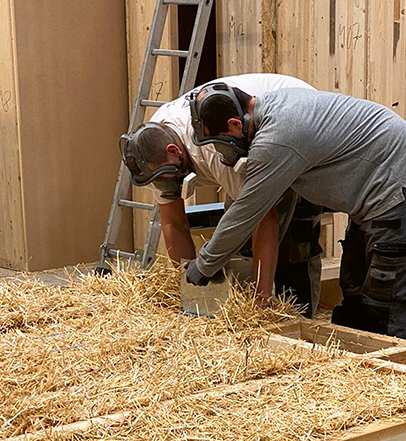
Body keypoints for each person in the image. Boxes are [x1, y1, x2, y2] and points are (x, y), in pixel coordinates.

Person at [184, 82, 406, 340]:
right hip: (375, 192)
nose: (221, 150)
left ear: (235, 125)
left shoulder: (276, 138)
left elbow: (245, 213)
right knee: (355, 292)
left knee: (385, 306)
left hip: (399, 187)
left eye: (219, 142)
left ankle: (390, 369)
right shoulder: (275, 107)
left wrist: (203, 266)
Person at [120, 73, 324, 313]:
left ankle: (297, 318)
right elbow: (173, 223)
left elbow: (261, 216)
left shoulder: (212, 148)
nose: (165, 184)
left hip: (297, 121)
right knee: (240, 241)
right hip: (242, 144)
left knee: (293, 242)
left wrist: (259, 304)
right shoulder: (150, 153)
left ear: (174, 151)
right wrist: (186, 293)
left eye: (165, 177)